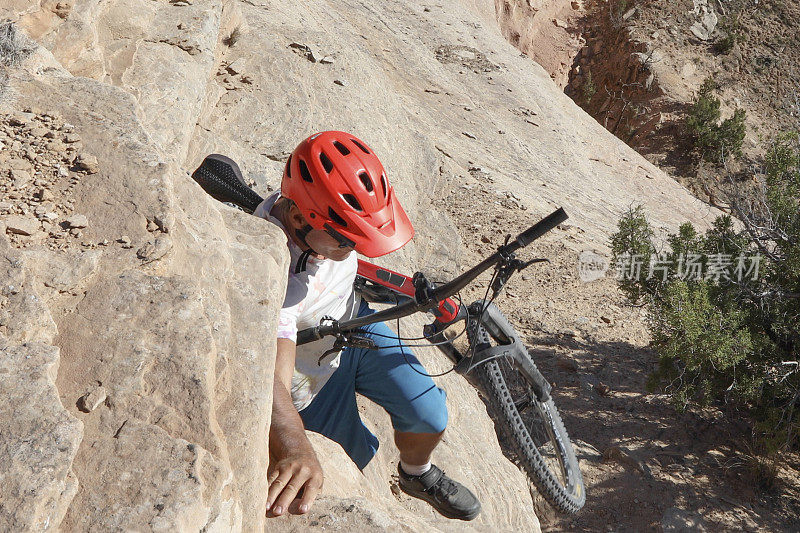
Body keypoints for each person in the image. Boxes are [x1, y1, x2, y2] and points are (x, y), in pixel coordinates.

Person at [257, 131, 481, 521]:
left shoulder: (315, 220)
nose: (352, 250)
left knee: (429, 414)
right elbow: (273, 369)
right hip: (312, 384)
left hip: (353, 326)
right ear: (296, 217)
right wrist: (294, 445)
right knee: (359, 455)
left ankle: (417, 473)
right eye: (347, 241)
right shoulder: (276, 277)